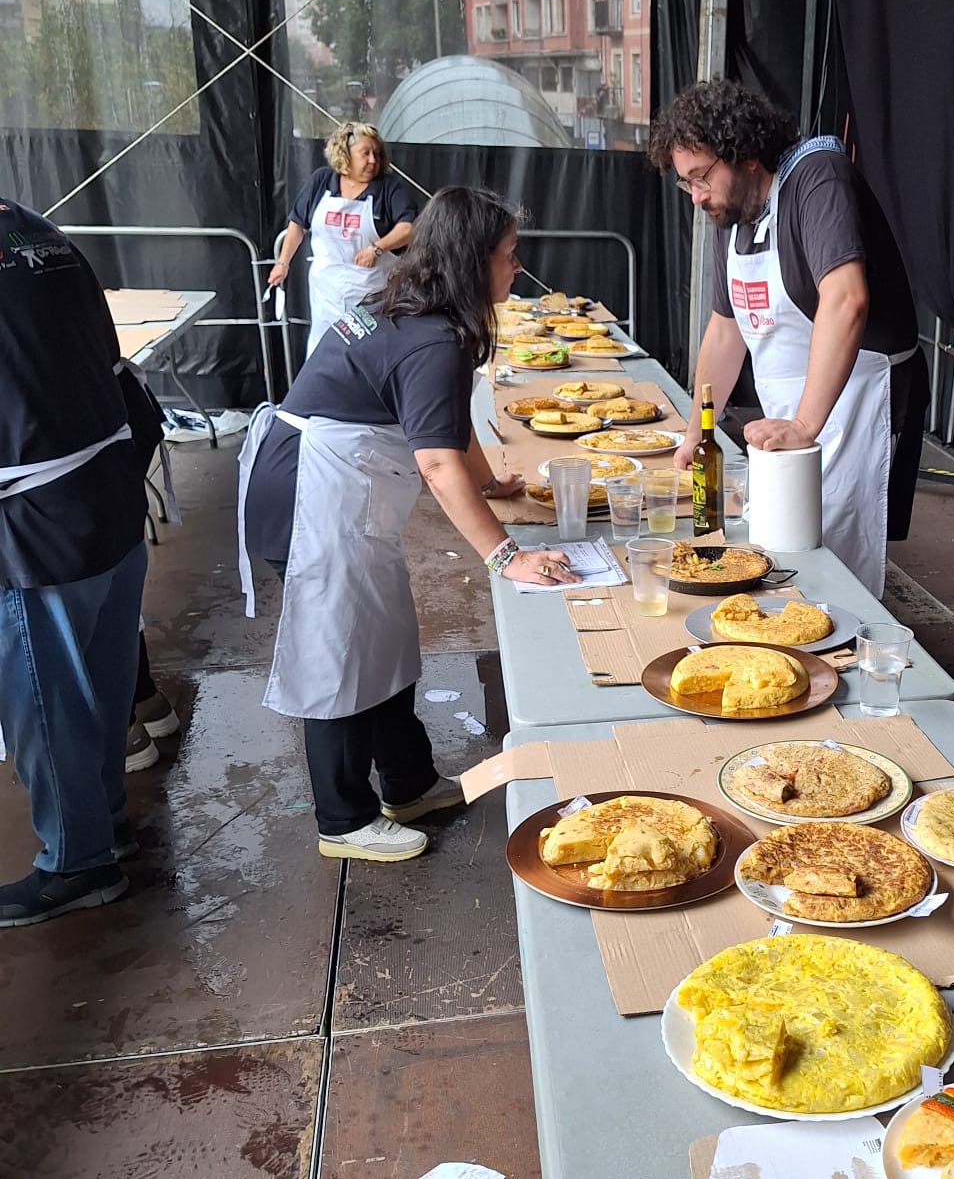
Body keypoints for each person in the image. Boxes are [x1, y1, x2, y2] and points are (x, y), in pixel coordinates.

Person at [238, 186, 575, 864]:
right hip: (309, 493)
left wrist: (492, 483)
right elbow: (437, 462)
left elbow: (446, 422)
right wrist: (504, 554)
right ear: (472, 260)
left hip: (334, 485)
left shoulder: (417, 309)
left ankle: (409, 782)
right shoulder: (434, 339)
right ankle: (343, 820)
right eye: (508, 254)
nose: (518, 266)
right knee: (337, 650)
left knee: (383, 635)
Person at [649, 78, 929, 597]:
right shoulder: (731, 216)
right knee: (780, 548)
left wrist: (804, 424)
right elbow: (725, 331)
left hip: (857, 400)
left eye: (701, 177)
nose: (697, 197)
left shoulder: (817, 178)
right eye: (686, 184)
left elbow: (846, 300)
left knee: (831, 561)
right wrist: (696, 433)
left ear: (746, 154)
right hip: (792, 415)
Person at [0, 202, 156, 924]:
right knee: (102, 678)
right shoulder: (33, 229)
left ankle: (77, 860)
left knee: (46, 699)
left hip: (39, 519)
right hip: (109, 486)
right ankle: (105, 823)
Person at [268, 123, 419, 357]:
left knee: (370, 353)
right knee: (326, 350)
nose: (372, 160)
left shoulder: (389, 188)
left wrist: (377, 248)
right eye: (365, 153)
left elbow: (408, 228)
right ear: (344, 154)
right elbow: (297, 224)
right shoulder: (322, 181)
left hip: (373, 291)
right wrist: (283, 263)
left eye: (377, 154)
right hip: (326, 290)